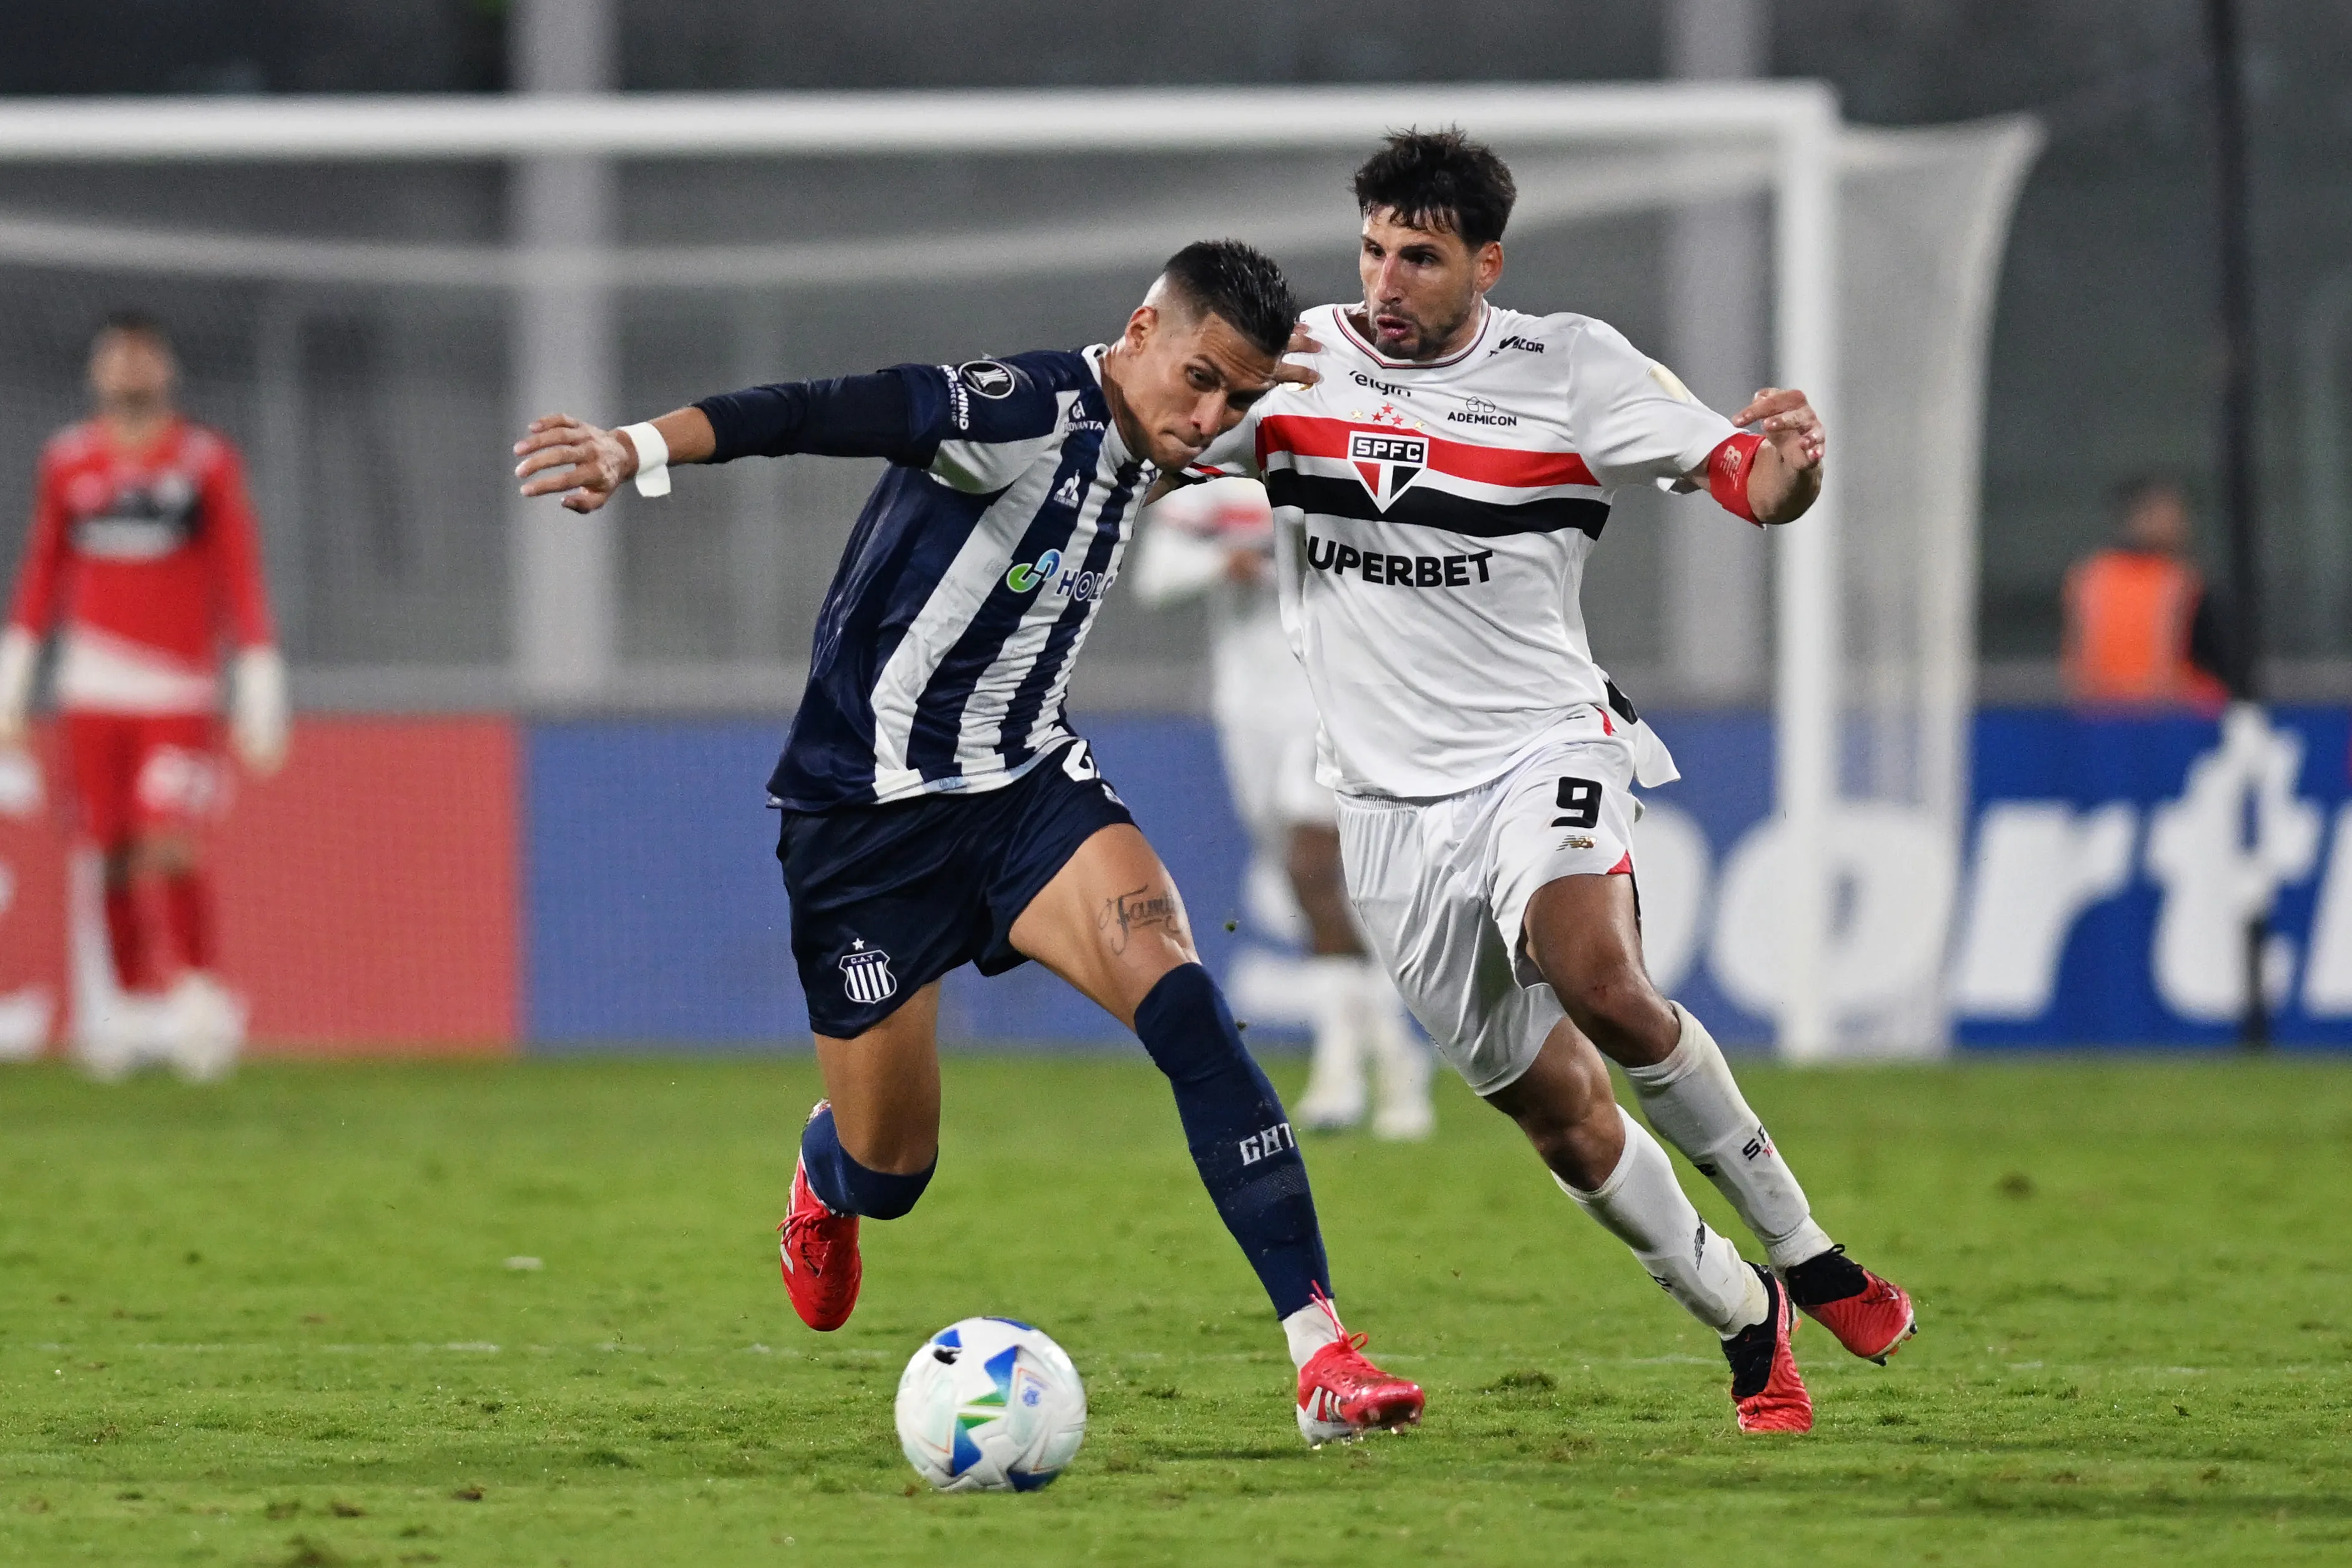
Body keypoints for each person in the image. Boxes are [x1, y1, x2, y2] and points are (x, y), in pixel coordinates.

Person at [512, 241, 1424, 1446]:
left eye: (1237, 401)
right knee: (892, 1170)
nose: (1209, 420)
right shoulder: (1018, 409)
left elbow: (1244, 408)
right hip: (865, 827)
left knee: (1189, 1009)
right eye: (1197, 379)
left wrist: (1307, 367)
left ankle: (1322, 1355)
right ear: (1140, 329)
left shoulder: (1162, 434)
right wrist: (636, 447)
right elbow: (815, 410)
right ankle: (823, 1176)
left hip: (1028, 794)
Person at [1175, 131, 1916, 1434]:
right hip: (1385, 814)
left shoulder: (1571, 364)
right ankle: (1749, 1319)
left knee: (1601, 979)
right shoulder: (1292, 367)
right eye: (1372, 251)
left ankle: (1808, 1248)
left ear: (1484, 263)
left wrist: (1793, 464)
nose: (1386, 283)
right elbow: (1152, 429)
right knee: (1562, 1121)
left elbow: (1750, 482)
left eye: (1421, 257)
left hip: (1540, 747)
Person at [0, 311, 286, 1081]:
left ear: (166, 371)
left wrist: (260, 678)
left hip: (177, 687)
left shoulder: (203, 462)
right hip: (91, 687)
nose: (129, 372)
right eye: (116, 359)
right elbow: (41, 572)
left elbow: (240, 571)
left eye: (141, 358)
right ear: (98, 373)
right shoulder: (67, 461)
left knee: (170, 840)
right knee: (114, 853)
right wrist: (14, 680)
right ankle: (125, 1008)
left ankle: (198, 1002)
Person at [1129, 475, 1432, 1138]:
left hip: (1329, 699)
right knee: (1315, 891)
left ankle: (1340, 1068)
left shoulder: (1341, 462)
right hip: (1246, 709)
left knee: (1311, 869)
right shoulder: (1216, 477)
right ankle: (1394, 1053)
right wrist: (1220, 561)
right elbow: (1154, 577)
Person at [2060, 477, 2230, 709]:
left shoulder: (2089, 576)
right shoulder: (2181, 582)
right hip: (2161, 717)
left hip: (2105, 719)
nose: (2181, 524)